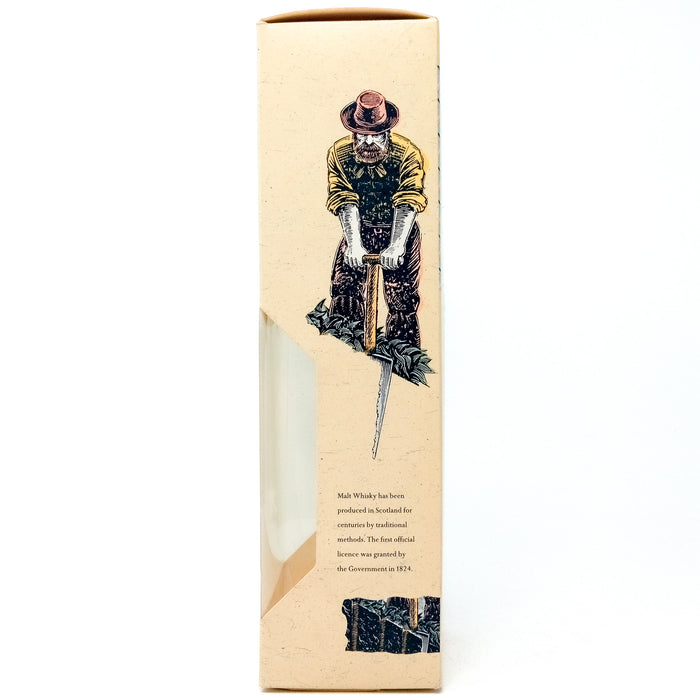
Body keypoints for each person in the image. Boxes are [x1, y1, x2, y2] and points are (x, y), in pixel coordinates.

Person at [326, 90, 427, 348]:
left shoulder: (407, 153)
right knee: (344, 290)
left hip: (399, 230)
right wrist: (354, 244)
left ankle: (401, 358)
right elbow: (344, 199)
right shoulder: (339, 153)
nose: (368, 142)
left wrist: (396, 245)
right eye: (362, 135)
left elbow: (408, 200)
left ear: (387, 132)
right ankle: (345, 355)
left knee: (401, 297)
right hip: (359, 229)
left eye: (376, 135)